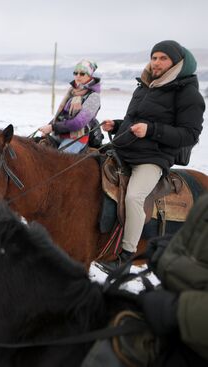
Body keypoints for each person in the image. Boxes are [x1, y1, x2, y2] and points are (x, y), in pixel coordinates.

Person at [99, 40, 205, 272]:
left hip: (153, 158)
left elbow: (190, 134)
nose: (156, 62)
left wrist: (152, 130)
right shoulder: (146, 85)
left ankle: (126, 256)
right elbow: (136, 119)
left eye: (163, 58)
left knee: (134, 197)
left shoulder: (187, 93)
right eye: (154, 57)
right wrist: (117, 125)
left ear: (176, 62)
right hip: (124, 149)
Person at [139, 192, 208, 365]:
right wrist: (169, 252)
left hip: (194, 342)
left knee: (133, 197)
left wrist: (177, 311)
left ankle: (127, 245)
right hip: (174, 320)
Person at [38, 59, 101, 153]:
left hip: (77, 139)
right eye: (76, 73)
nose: (78, 76)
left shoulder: (94, 97)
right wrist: (48, 126)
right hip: (59, 135)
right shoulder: (72, 91)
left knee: (58, 162)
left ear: (90, 76)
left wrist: (52, 127)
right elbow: (61, 115)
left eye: (82, 73)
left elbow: (79, 123)